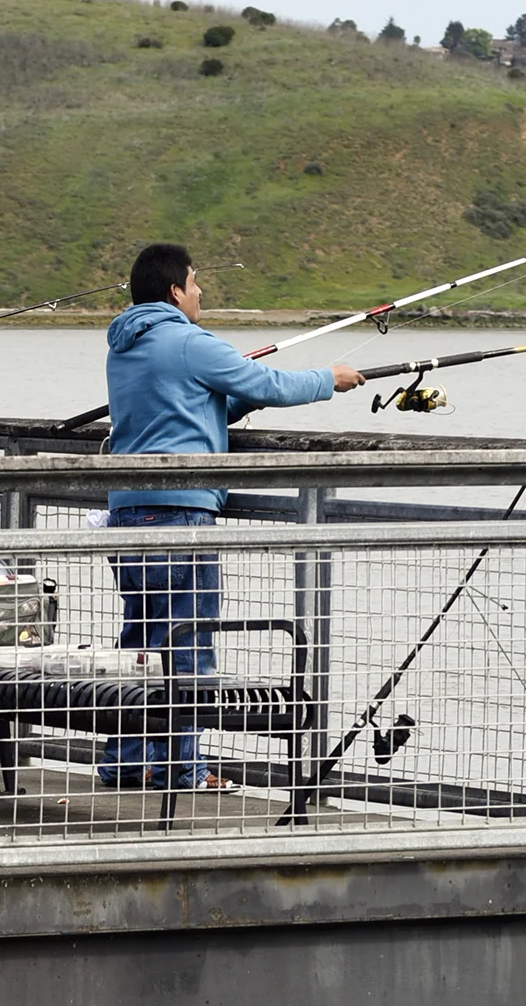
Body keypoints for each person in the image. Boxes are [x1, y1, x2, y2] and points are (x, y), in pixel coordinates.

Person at [102, 244, 361, 791]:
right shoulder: (189, 342)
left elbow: (182, 405)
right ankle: (182, 770)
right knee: (189, 646)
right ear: (175, 290)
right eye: (195, 282)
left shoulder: (127, 345)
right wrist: (329, 379)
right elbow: (268, 383)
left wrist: (235, 397)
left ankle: (126, 762)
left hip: (128, 513)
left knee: (141, 645)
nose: (200, 292)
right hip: (180, 516)